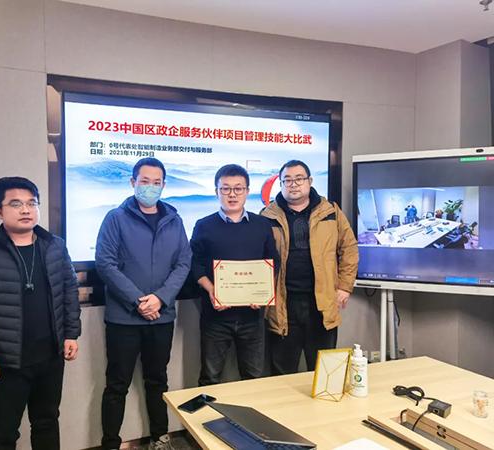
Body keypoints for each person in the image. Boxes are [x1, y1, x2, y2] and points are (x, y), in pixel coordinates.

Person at [0, 177, 81, 450]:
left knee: (47, 422)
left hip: (50, 356)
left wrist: (71, 334)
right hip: (6, 361)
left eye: (31, 203)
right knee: (3, 432)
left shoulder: (55, 246)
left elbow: (69, 291)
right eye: (15, 204)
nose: (26, 210)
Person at [96, 158, 192, 450]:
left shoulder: (174, 220)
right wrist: (138, 301)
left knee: (157, 381)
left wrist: (160, 298)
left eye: (156, 182)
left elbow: (183, 262)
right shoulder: (115, 218)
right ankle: (111, 444)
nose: (150, 187)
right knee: (117, 384)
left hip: (161, 317)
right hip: (123, 319)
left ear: (164, 185)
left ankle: (159, 438)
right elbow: (105, 263)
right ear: (133, 182)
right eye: (144, 181)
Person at [260, 160, 358, 375]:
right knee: (282, 372)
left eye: (299, 179)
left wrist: (345, 286)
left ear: (310, 181)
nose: (293, 184)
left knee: (325, 371)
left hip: (321, 303)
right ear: (280, 184)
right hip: (283, 305)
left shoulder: (330, 211)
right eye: (287, 180)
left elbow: (349, 248)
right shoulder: (267, 215)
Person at [190, 164, 279, 386]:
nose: (232, 194)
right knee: (210, 378)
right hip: (215, 319)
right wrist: (211, 289)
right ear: (216, 192)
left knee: (253, 380)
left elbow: (273, 262)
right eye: (226, 188)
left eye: (238, 188)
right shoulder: (204, 225)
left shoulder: (262, 225)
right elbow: (194, 264)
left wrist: (263, 293)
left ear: (247, 192)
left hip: (253, 318)